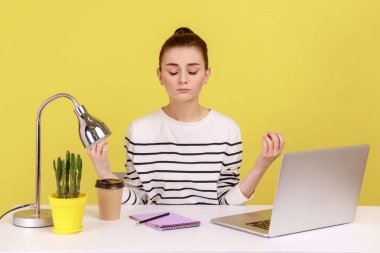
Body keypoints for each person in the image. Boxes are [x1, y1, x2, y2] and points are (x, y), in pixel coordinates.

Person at [87, 27, 284, 205]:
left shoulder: (227, 130)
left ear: (206, 75)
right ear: (160, 75)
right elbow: (139, 200)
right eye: (173, 72)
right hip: (154, 235)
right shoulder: (139, 131)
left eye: (192, 71)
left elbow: (225, 202)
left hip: (210, 237)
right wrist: (104, 173)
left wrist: (261, 166)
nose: (182, 79)